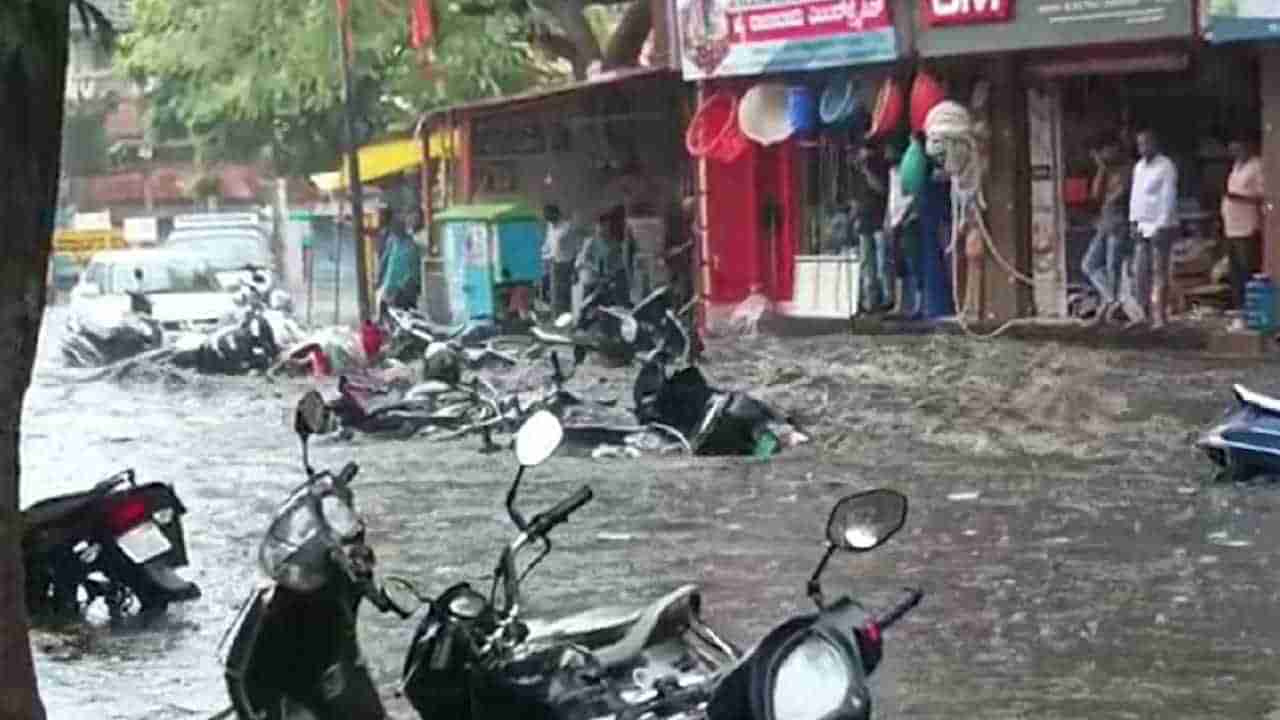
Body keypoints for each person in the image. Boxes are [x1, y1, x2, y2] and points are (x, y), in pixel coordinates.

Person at [1128, 129, 1179, 329]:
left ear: (1155, 144)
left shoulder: (1166, 166)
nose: (1143, 148)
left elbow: (1168, 197)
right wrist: (1133, 221)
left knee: (1160, 272)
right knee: (1140, 272)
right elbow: (1135, 195)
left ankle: (1160, 317)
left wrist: (1162, 225)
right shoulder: (1138, 167)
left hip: (1160, 226)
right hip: (1141, 224)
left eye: (1147, 143)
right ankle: (1143, 314)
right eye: (1140, 144)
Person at [1081, 135, 1133, 325]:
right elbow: (1095, 194)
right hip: (1105, 225)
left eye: (1104, 150)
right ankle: (1112, 299)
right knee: (1089, 264)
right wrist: (1101, 169)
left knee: (1113, 269)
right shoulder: (1107, 171)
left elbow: (1118, 197)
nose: (1102, 154)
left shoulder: (1128, 170)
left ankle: (1110, 309)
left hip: (1119, 226)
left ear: (1114, 148)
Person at [1221, 134, 1265, 309]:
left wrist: (1238, 198)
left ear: (1247, 146)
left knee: (1248, 269)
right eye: (1232, 149)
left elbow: (1262, 196)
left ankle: (1252, 308)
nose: (1235, 152)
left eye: (1237, 148)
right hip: (1231, 227)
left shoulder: (1257, 166)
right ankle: (1239, 308)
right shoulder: (1236, 166)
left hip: (1247, 227)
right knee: (1235, 272)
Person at [850, 143, 891, 312]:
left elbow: (882, 189)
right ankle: (870, 301)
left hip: (879, 219)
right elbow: (855, 198)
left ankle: (887, 298)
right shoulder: (855, 174)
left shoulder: (879, 167)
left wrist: (867, 171)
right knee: (867, 263)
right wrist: (854, 216)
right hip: (864, 221)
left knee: (883, 263)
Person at [884, 140, 921, 317]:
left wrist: (906, 216)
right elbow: (892, 199)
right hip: (895, 220)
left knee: (913, 260)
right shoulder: (892, 172)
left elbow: (912, 195)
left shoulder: (908, 170)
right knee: (898, 263)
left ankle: (917, 304)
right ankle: (899, 304)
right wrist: (889, 220)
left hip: (906, 219)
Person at [375, 209, 422, 317]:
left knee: (403, 315)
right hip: (397, 289)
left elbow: (415, 269)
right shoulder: (396, 242)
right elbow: (385, 262)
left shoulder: (411, 245)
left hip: (403, 289)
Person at [543, 204, 581, 316]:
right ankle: (557, 318)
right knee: (555, 294)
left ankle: (567, 318)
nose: (547, 218)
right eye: (546, 216)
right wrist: (545, 256)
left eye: (549, 215)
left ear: (556, 214)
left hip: (567, 263)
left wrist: (575, 265)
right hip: (554, 263)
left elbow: (575, 247)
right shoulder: (550, 226)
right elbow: (548, 243)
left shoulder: (567, 227)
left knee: (566, 293)